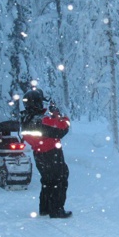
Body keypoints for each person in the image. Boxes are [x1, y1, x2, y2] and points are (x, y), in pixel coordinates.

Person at [20, 87, 72, 219]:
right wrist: (59, 116)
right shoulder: (42, 119)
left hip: (39, 154)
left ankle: (45, 208)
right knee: (59, 180)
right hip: (51, 153)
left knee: (47, 180)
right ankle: (56, 210)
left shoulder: (26, 119)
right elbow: (63, 129)